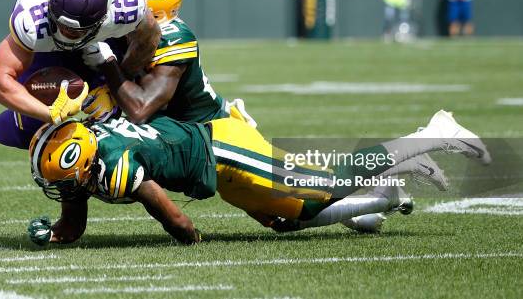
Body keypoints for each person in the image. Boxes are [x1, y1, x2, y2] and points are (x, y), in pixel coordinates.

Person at [26, 110, 490, 245]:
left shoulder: (111, 165)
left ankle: (429, 135)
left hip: (223, 151)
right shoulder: (93, 150)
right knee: (284, 220)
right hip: (215, 158)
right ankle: (387, 186)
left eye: (65, 180)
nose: (65, 190)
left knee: (322, 188)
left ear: (82, 163)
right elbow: (73, 219)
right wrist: (56, 236)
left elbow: (178, 223)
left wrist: (192, 243)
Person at [0, 0, 162, 185]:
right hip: (51, 44)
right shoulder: (33, 20)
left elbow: (149, 38)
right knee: (29, 127)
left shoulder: (127, 6)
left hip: (104, 38)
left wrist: (117, 81)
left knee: (111, 116)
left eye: (76, 30)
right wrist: (52, 113)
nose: (67, 32)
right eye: (62, 24)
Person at [84, 0, 256, 126]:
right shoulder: (123, 29)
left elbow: (140, 110)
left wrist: (106, 61)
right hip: (168, 127)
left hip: (205, 130)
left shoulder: (173, 37)